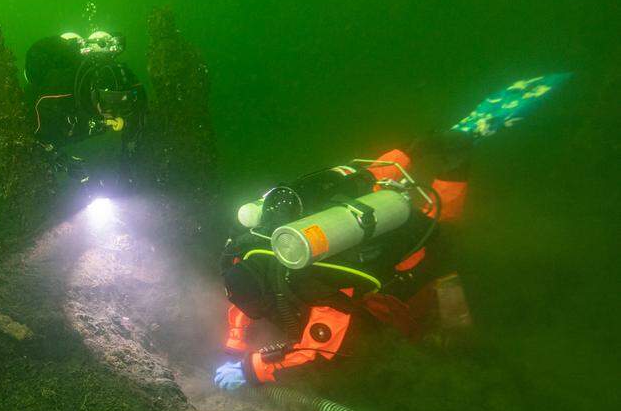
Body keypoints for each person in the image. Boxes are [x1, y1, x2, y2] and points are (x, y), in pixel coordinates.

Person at [213, 73, 571, 390]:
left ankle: (455, 167)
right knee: (371, 187)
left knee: (440, 235)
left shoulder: (313, 285)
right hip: (351, 207)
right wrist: (234, 344)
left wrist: (252, 370)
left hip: (394, 248)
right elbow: (241, 297)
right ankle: (414, 152)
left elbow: (320, 351)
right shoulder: (253, 247)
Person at [23, 31, 147, 183]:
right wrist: (62, 162)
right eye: (108, 103)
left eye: (121, 102)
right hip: (58, 108)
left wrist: (129, 151)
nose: (114, 113)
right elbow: (27, 137)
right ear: (94, 93)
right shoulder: (57, 96)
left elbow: (141, 108)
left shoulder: (125, 81)